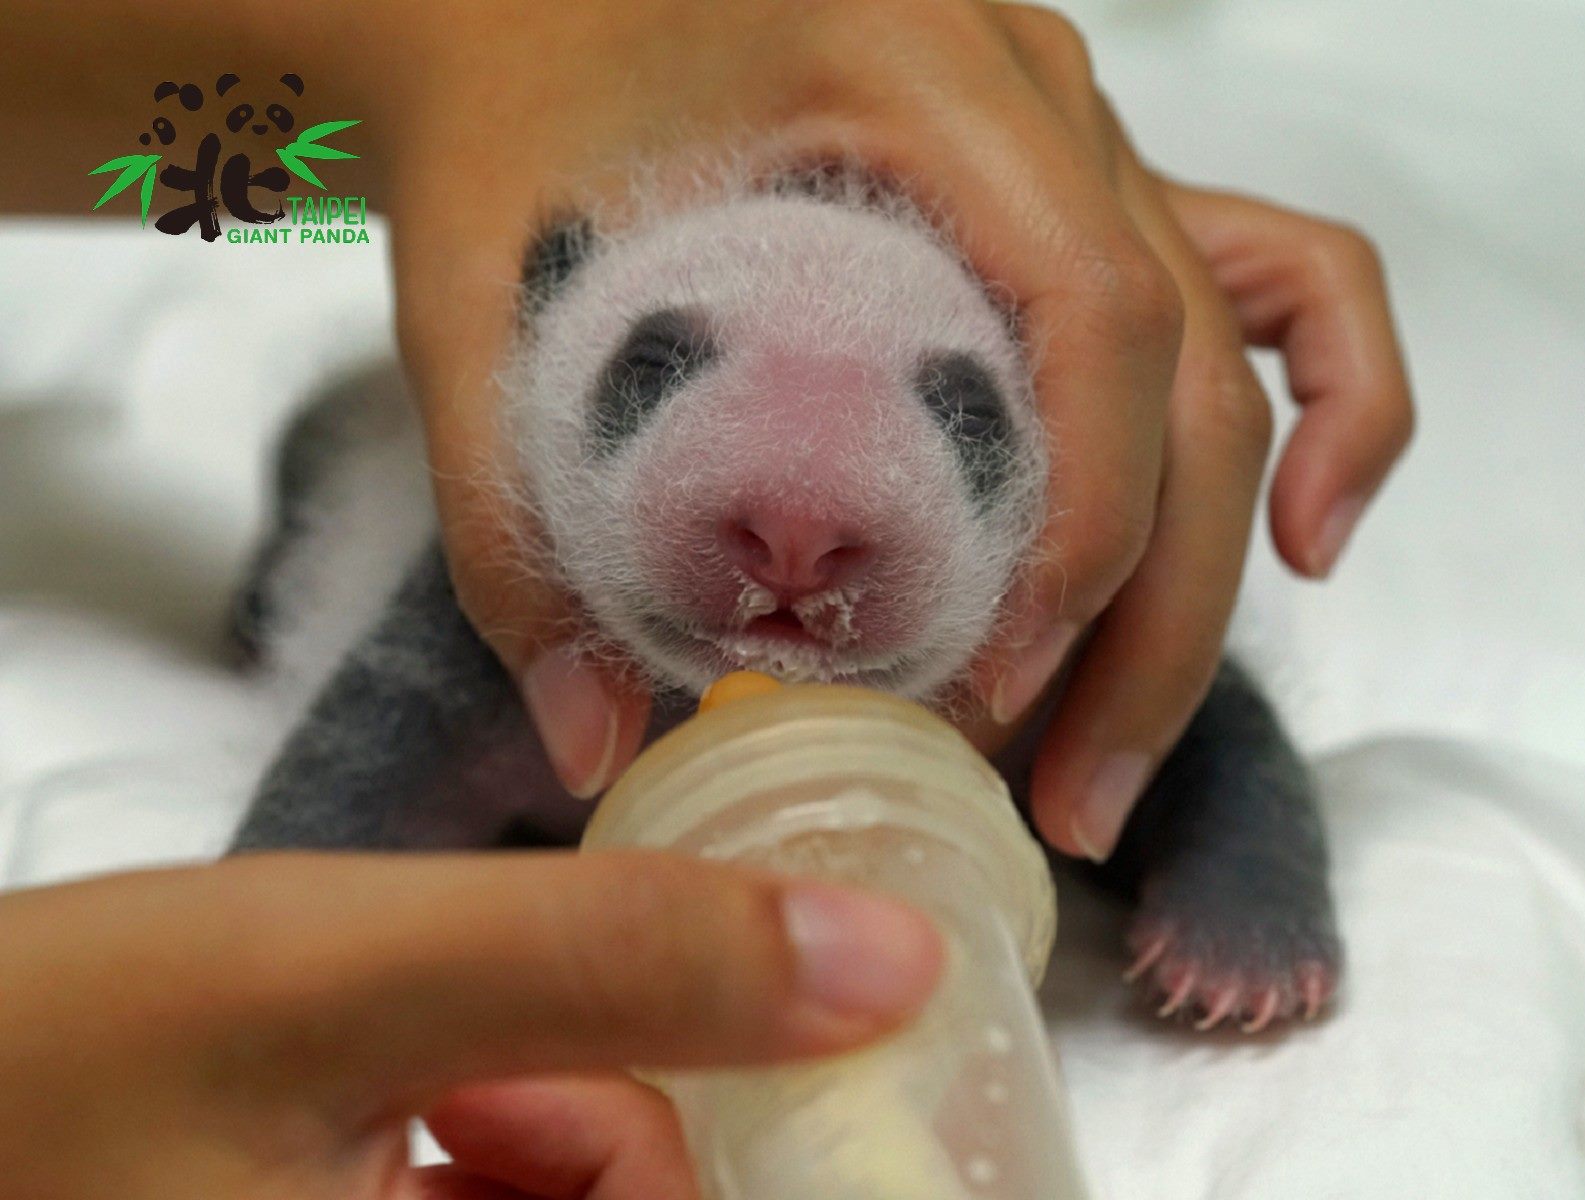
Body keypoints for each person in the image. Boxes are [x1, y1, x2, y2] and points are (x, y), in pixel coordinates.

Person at [0, 1, 1413, 1194]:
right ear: (534, 346)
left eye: (961, 414)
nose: (800, 523)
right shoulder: (473, 619)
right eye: (659, 368)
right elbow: (303, 881)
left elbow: (1208, 746)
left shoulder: (1042, 630)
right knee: (335, 445)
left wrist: (1246, 887)